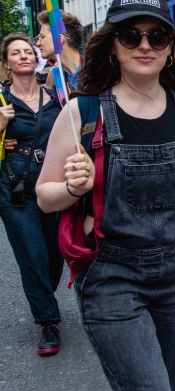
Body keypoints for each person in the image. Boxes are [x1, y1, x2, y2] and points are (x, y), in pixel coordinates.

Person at [36, 0, 175, 391]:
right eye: (131, 35)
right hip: (113, 277)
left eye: (157, 36)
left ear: (169, 49)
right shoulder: (83, 112)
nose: (145, 45)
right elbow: (45, 195)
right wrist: (73, 188)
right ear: (113, 47)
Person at [0, 33, 64, 356]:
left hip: (51, 184)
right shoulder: (0, 103)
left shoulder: (56, 97)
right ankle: (48, 322)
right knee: (32, 255)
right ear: (6, 63)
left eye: (28, 51)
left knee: (54, 255)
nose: (25, 56)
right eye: (16, 53)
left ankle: (43, 293)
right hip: (14, 189)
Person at [35, 10, 83, 92]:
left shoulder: (93, 70)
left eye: (42, 37)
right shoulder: (54, 75)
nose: (37, 43)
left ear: (59, 39)